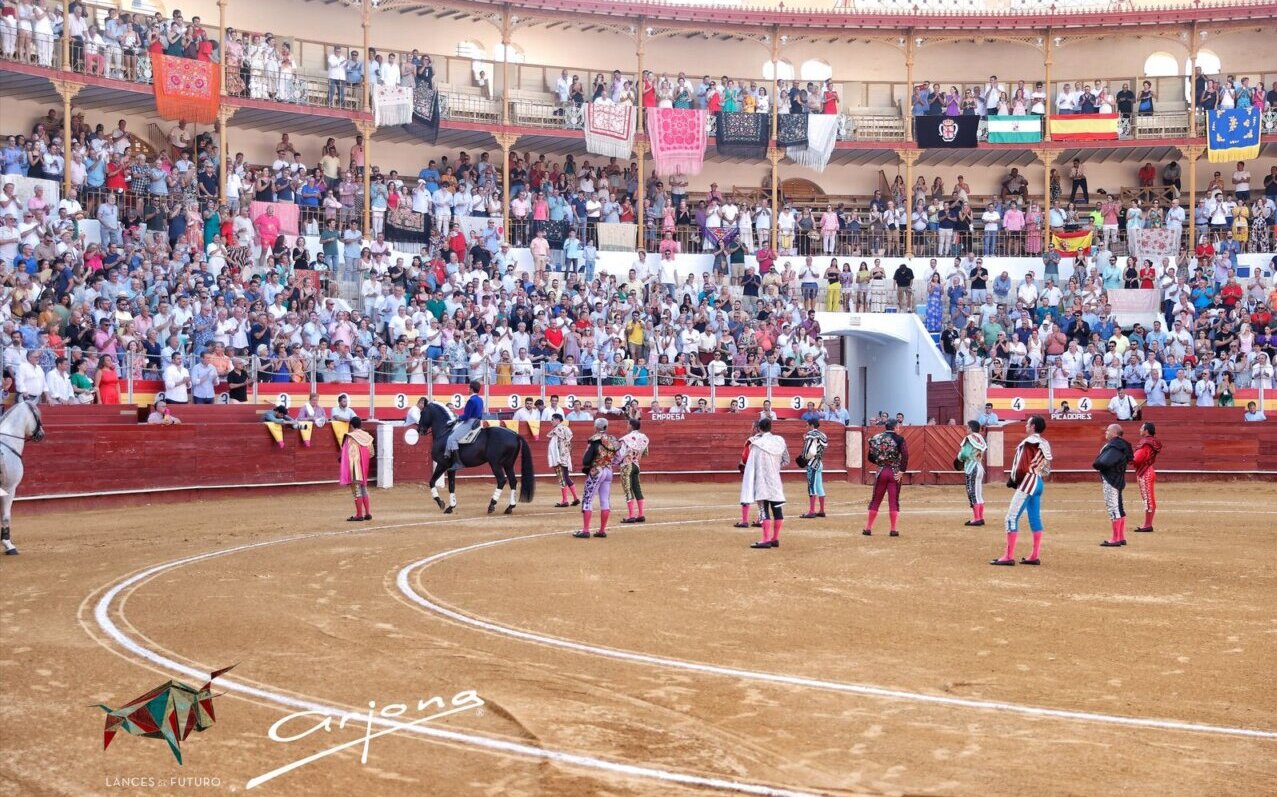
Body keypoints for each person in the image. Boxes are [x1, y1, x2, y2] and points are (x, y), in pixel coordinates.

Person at [992, 415, 1052, 566]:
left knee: (1011, 518)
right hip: (1038, 481)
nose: (1026, 426)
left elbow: (1021, 466)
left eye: (1027, 424)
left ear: (1033, 427)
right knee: (1035, 518)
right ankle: (1034, 555)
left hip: (1028, 482)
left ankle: (1008, 556)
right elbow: (1046, 469)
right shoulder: (1044, 443)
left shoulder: (1029, 442)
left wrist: (1014, 480)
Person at [742, 417, 790, 549]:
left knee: (763, 509)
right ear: (770, 427)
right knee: (777, 508)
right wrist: (774, 467)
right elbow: (786, 460)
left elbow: (749, 463)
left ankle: (766, 539)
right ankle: (775, 538)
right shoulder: (779, 441)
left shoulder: (756, 444)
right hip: (775, 480)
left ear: (759, 428)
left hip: (762, 481)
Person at [575, 418, 621, 539]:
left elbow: (586, 460)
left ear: (595, 427)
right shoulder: (612, 440)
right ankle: (602, 530)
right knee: (605, 500)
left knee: (588, 499)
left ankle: (585, 530)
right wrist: (609, 463)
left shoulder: (594, 439)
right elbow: (619, 457)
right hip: (608, 471)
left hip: (596, 471)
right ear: (606, 427)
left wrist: (590, 464)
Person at [863, 419, 908, 536]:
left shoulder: (876, 438)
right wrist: (902, 470)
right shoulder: (899, 439)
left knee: (876, 500)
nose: (899, 429)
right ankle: (893, 529)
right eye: (898, 427)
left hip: (881, 472)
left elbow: (870, 457)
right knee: (893, 501)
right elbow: (905, 455)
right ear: (894, 427)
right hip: (894, 473)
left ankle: (868, 528)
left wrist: (880, 462)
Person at [1094, 423, 1134, 548]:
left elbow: (1104, 462)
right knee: (1119, 507)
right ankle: (1120, 537)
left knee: (1113, 508)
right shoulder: (1121, 445)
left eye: (1108, 430)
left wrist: (1097, 464)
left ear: (1115, 433)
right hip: (1119, 478)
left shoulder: (1114, 446)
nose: (1106, 432)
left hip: (1111, 479)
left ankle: (1115, 538)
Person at [339, 416, 375, 522]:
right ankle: (367, 513)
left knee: (357, 491)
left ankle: (359, 515)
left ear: (351, 425)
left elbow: (348, 455)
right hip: (364, 468)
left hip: (354, 467)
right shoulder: (367, 436)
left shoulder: (350, 437)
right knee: (364, 489)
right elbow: (371, 453)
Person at [446, 380, 484, 470]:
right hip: (478, 422)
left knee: (452, 438)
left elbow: (466, 416)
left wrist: (457, 418)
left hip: (470, 422)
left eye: (469, 388)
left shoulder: (471, 400)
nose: (468, 389)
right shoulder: (480, 400)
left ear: (471, 389)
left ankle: (458, 462)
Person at [1132, 421, 1162, 533]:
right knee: (1148, 499)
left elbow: (1137, 459)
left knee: (1148, 499)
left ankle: (1148, 524)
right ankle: (1147, 524)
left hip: (1145, 472)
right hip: (1149, 470)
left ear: (1146, 431)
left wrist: (1129, 459)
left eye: (1141, 428)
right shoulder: (1151, 442)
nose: (1140, 430)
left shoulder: (1146, 443)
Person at [956, 419, 988, 526]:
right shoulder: (981, 439)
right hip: (979, 467)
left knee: (972, 493)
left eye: (967, 427)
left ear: (970, 428)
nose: (966, 429)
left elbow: (965, 454)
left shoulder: (969, 438)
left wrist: (959, 458)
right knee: (978, 493)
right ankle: (981, 517)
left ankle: (977, 518)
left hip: (971, 468)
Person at [618, 417, 650, 523]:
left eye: (628, 424)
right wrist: (636, 456)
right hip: (636, 466)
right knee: (637, 489)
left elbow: (621, 454)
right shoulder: (643, 438)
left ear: (631, 426)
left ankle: (631, 515)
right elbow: (645, 453)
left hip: (626, 466)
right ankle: (641, 514)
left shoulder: (625, 438)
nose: (627, 426)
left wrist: (615, 462)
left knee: (628, 490)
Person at [733, 421, 762, 529]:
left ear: (756, 428)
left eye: (752, 427)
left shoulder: (751, 441)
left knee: (746, 493)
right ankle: (761, 519)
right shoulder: (770, 441)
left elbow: (745, 458)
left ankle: (744, 521)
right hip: (764, 471)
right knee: (761, 495)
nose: (751, 429)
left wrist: (742, 464)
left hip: (751, 471)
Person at [798, 418, 829, 519]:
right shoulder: (823, 435)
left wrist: (804, 457)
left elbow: (810, 451)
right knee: (819, 486)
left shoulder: (810, 435)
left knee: (811, 486)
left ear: (811, 425)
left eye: (807, 425)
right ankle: (822, 510)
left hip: (812, 463)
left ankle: (812, 511)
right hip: (819, 463)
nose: (806, 427)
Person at [547, 413, 579, 508]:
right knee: (566, 477)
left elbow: (554, 446)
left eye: (552, 419)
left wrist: (556, 458)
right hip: (566, 457)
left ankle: (565, 501)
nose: (551, 421)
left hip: (559, 458)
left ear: (558, 420)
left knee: (562, 478)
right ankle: (575, 498)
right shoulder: (567, 429)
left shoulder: (556, 430)